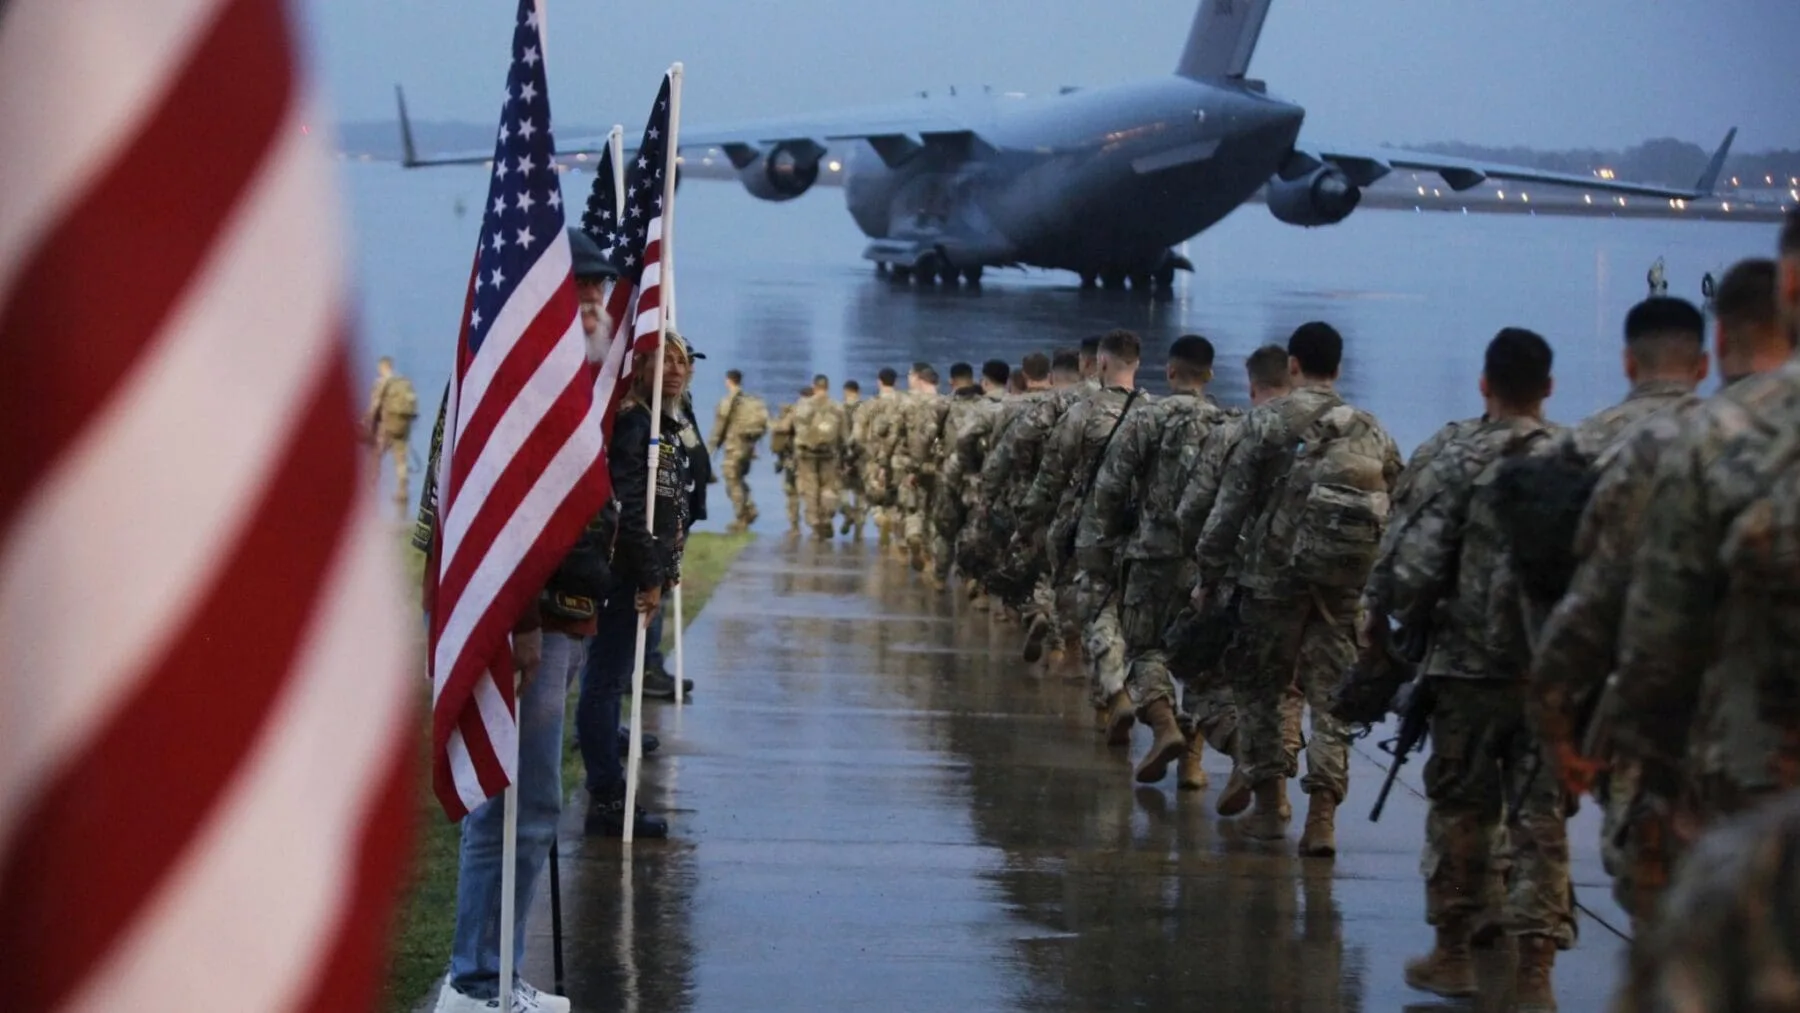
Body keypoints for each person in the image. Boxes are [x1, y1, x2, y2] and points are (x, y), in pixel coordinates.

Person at [431, 227, 619, 1013]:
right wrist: (521, 623)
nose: (593, 302)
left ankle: (499, 971)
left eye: (597, 290)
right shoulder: (520, 380)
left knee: (535, 804)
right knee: (505, 801)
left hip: (572, 619)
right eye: (578, 287)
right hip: (528, 625)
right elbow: (500, 517)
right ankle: (474, 978)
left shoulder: (578, 379)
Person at [1374, 328, 1568, 1008]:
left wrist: (1409, 620)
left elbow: (1412, 571)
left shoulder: (1453, 456)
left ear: (1484, 384)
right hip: (1549, 675)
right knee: (1541, 821)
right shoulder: (1577, 459)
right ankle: (1536, 973)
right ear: (1548, 387)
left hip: (1466, 672)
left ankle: (1453, 953)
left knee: (1460, 810)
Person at [1611, 210, 1800, 869]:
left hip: (1736, 755)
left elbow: (1646, 622)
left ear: (1715, 349)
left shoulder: (1688, 442)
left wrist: (1601, 733)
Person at [1523, 297, 1716, 939]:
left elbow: (1563, 589)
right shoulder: (1754, 433)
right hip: (1749, 704)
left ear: (1628, 361)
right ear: (1704, 363)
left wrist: (1556, 714)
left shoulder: (1586, 444)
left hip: (1639, 697)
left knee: (1648, 868)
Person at [1193, 322, 1401, 856]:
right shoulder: (1371, 429)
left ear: (1292, 365)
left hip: (1270, 582)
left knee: (1261, 692)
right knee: (1332, 699)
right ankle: (1322, 821)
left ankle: (1269, 810)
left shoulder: (1266, 423)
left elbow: (1229, 506)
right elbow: (1399, 510)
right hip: (1341, 586)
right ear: (1338, 366)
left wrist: (1208, 574)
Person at [1078, 335, 1244, 790]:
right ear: (1209, 374)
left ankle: (1163, 723)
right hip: (1209, 562)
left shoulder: (1147, 418)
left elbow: (1110, 486)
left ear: (1170, 373)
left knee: (1145, 649)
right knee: (1201, 659)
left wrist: (1104, 545)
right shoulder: (1232, 426)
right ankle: (1198, 762)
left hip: (1151, 556)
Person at [574, 333, 697, 841]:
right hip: (624, 573)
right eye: (661, 360)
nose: (673, 369)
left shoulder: (663, 422)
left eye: (680, 361)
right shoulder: (634, 422)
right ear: (638, 366)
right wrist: (648, 576)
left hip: (644, 570)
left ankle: (607, 778)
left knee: (609, 679)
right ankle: (606, 797)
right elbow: (627, 506)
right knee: (604, 682)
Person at [1018, 330, 1151, 737]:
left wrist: (1029, 521)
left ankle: (1112, 693)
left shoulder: (1083, 410)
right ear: (1138, 365)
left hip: (1092, 527)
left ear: (1099, 363)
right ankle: (1112, 707)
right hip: (1145, 532)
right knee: (1133, 621)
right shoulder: (1156, 413)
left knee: (1096, 612)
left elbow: (1052, 471)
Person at [935, 361, 1005, 590]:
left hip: (959, 473)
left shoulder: (953, 405)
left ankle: (939, 577)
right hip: (994, 478)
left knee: (947, 528)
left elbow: (960, 439)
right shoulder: (1012, 404)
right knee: (982, 529)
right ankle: (974, 581)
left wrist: (964, 466)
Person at [892, 364, 949, 577]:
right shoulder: (946, 403)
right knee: (934, 511)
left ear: (920, 380)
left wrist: (887, 461)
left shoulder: (906, 403)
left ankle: (914, 534)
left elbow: (895, 434)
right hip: (939, 466)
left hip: (911, 464)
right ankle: (931, 559)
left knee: (913, 507)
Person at [791, 374, 850, 540]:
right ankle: (826, 518)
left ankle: (815, 522)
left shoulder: (803, 405)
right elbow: (845, 436)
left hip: (806, 454)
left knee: (810, 489)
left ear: (814, 386)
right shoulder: (837, 407)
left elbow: (796, 430)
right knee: (828, 488)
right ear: (828, 387)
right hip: (829, 454)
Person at [710, 369, 769, 533]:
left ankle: (741, 518)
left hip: (734, 448)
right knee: (739, 478)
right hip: (749, 448)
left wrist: (709, 449)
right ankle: (750, 508)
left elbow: (719, 428)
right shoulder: (750, 400)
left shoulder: (728, 401)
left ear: (728, 381)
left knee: (732, 481)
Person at [857, 368, 905, 550]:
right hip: (899, 459)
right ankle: (897, 539)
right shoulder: (904, 402)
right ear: (896, 382)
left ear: (879, 382)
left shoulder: (869, 405)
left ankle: (880, 520)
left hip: (874, 459)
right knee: (896, 499)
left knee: (874, 498)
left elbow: (858, 435)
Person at [365, 355, 419, 516]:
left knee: (375, 455)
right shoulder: (402, 382)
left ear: (383, 367)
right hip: (403, 425)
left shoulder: (381, 383)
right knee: (400, 459)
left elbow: (375, 407)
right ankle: (403, 492)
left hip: (387, 426)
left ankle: (370, 490)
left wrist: (367, 420)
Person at [769, 398, 802, 533]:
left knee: (792, 493)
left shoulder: (789, 416)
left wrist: (769, 421)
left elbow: (780, 431)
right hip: (812, 459)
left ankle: (794, 527)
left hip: (791, 461)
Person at [840, 379, 868, 538]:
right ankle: (859, 530)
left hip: (844, 457)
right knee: (861, 493)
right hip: (863, 457)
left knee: (842, 490)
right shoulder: (868, 409)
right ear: (858, 392)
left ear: (846, 391)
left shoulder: (839, 409)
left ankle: (847, 513)